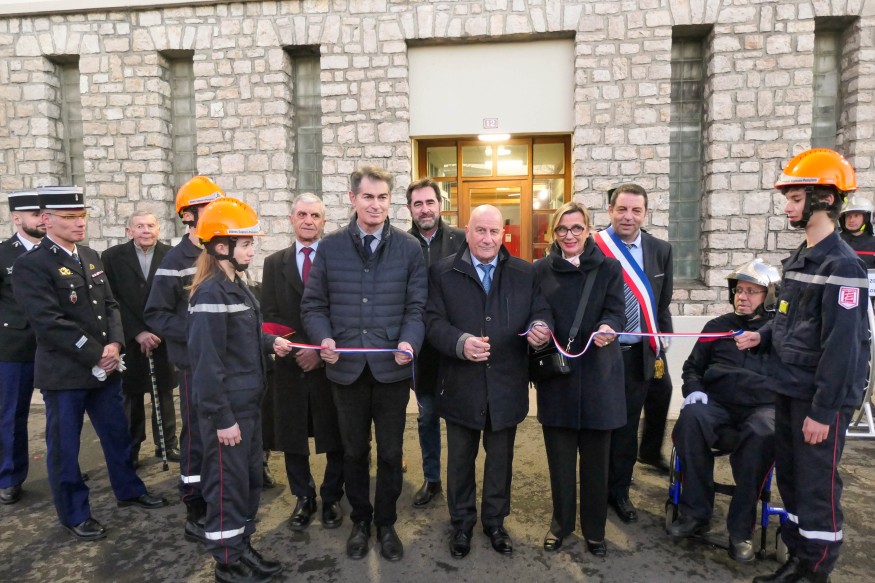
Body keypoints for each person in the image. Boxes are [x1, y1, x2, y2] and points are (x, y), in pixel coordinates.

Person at [736, 149, 869, 583]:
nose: (788, 207)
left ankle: (815, 569)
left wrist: (824, 411)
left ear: (824, 199)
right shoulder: (801, 257)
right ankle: (798, 558)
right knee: (792, 479)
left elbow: (843, 347)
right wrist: (762, 336)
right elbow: (788, 319)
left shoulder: (842, 265)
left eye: (795, 199)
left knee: (816, 486)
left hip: (817, 399)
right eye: (788, 199)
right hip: (790, 388)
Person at [12, 186, 166, 541]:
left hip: (105, 367)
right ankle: (74, 513)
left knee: (117, 434)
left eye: (82, 216)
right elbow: (48, 321)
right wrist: (96, 352)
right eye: (70, 217)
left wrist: (115, 343)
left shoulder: (90, 256)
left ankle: (129, 489)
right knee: (66, 447)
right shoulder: (31, 265)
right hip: (66, 373)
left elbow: (110, 305)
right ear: (47, 219)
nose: (79, 223)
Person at [301, 166, 427, 562]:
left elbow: (416, 308)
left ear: (390, 201)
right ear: (353, 199)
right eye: (368, 197)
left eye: (382, 197)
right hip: (346, 370)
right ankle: (360, 520)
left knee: (390, 453)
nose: (375, 205)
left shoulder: (409, 248)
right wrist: (324, 337)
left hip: (391, 370)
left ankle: (386, 523)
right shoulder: (330, 247)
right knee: (353, 451)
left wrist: (409, 341)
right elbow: (314, 305)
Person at [426, 204, 552, 559]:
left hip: (506, 385)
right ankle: (461, 523)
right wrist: (459, 342)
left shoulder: (524, 272)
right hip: (460, 384)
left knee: (500, 461)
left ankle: (495, 522)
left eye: (494, 231)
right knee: (460, 461)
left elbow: (541, 310)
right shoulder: (442, 272)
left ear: (503, 234)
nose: (487, 238)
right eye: (480, 230)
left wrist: (541, 328)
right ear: (467, 232)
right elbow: (432, 321)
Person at [187, 197, 292, 583]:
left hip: (247, 406)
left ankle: (241, 545)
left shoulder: (236, 286)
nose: (251, 250)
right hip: (228, 413)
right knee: (227, 487)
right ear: (221, 247)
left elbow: (242, 337)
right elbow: (206, 364)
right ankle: (227, 562)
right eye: (245, 244)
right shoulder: (211, 294)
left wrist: (270, 343)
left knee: (246, 482)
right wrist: (222, 419)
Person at [669, 258, 780, 564]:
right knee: (691, 418)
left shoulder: (779, 334)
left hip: (760, 409)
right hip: (717, 405)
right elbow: (692, 368)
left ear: (770, 296)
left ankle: (741, 531)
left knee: (763, 432)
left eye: (751, 291)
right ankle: (696, 513)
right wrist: (694, 390)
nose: (741, 297)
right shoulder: (717, 327)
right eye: (738, 290)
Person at [533, 201, 626, 557]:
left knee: (596, 463)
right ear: (553, 233)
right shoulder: (540, 269)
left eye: (576, 228)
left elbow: (616, 310)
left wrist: (609, 326)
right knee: (559, 462)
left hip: (599, 376)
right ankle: (560, 524)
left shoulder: (609, 267)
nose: (569, 235)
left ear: (588, 230)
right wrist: (540, 325)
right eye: (562, 229)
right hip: (559, 376)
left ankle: (595, 530)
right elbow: (538, 308)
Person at [144, 175, 224, 543]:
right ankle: (195, 506)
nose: (216, 212)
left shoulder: (219, 251)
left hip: (224, 363)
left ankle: (219, 496)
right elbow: (156, 314)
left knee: (220, 432)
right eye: (209, 207)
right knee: (196, 436)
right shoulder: (175, 260)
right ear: (188, 215)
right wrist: (197, 331)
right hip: (194, 364)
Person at [261, 193, 345, 532]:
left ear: (324, 221)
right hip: (290, 365)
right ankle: (304, 497)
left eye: (315, 215)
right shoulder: (273, 263)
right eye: (302, 214)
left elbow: (344, 312)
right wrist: (300, 350)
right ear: (291, 219)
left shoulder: (338, 261)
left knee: (335, 434)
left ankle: (332, 496)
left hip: (331, 364)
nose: (308, 220)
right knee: (293, 436)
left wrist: (319, 352)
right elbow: (270, 316)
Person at [595, 183, 674, 524]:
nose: (628, 216)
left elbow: (662, 301)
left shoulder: (661, 250)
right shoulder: (594, 246)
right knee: (601, 425)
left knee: (627, 426)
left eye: (636, 210)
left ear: (645, 213)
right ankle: (595, 488)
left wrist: (663, 338)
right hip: (602, 353)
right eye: (622, 209)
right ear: (610, 211)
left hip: (640, 352)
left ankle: (619, 491)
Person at [102, 211, 178, 468]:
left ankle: (167, 444)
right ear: (129, 231)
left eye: (151, 225)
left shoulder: (171, 255)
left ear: (158, 229)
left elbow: (178, 297)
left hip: (162, 336)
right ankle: (132, 447)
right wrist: (137, 332)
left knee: (164, 392)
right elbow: (111, 299)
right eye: (140, 226)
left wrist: (158, 331)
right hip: (129, 336)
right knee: (132, 395)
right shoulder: (111, 257)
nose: (146, 230)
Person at [406, 177, 465, 508]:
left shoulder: (461, 240)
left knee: (457, 419)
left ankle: (459, 482)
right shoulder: (401, 243)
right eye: (418, 204)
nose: (425, 209)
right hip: (421, 350)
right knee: (427, 417)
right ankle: (432, 479)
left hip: (455, 347)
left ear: (440, 205)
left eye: (430, 202)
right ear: (410, 209)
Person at [0, 191, 45, 505]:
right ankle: (10, 476)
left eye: (44, 214)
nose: (42, 219)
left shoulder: (58, 251)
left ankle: (62, 467)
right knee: (12, 414)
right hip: (15, 348)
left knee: (63, 413)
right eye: (34, 215)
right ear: (17, 218)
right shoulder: (4, 254)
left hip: (57, 346)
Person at [837, 195, 875, 269]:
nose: (851, 220)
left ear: (866, 218)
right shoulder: (835, 241)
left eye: (856, 216)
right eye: (848, 216)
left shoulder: (873, 243)